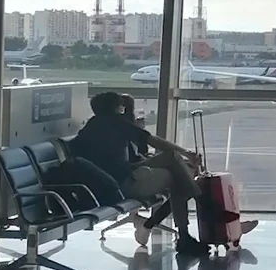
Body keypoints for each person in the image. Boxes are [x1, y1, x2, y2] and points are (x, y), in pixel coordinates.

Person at [69, 92, 208, 258]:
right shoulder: (115, 122)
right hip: (123, 182)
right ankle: (200, 204)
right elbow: (152, 140)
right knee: (177, 167)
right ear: (116, 108)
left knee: (180, 171)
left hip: (115, 179)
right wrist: (186, 152)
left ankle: (181, 225)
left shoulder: (92, 126)